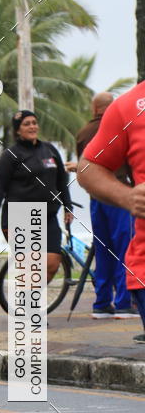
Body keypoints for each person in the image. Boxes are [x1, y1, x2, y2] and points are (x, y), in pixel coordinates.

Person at [78, 81, 145, 342]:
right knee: (109, 251)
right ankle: (107, 303)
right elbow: (89, 167)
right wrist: (127, 197)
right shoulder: (129, 106)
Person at [0, 110, 73, 281]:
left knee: (53, 263)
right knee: (30, 267)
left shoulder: (50, 150)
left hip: (48, 216)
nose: (32, 126)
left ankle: (32, 299)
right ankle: (27, 305)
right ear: (18, 130)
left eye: (34, 122)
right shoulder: (10, 155)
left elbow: (61, 181)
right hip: (19, 216)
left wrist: (67, 207)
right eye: (27, 124)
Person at [71, 93, 136, 319]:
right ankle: (123, 303)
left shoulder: (83, 132)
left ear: (93, 108)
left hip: (95, 198)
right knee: (124, 248)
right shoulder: (119, 124)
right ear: (111, 107)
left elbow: (85, 164)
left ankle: (101, 304)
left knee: (103, 250)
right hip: (118, 195)